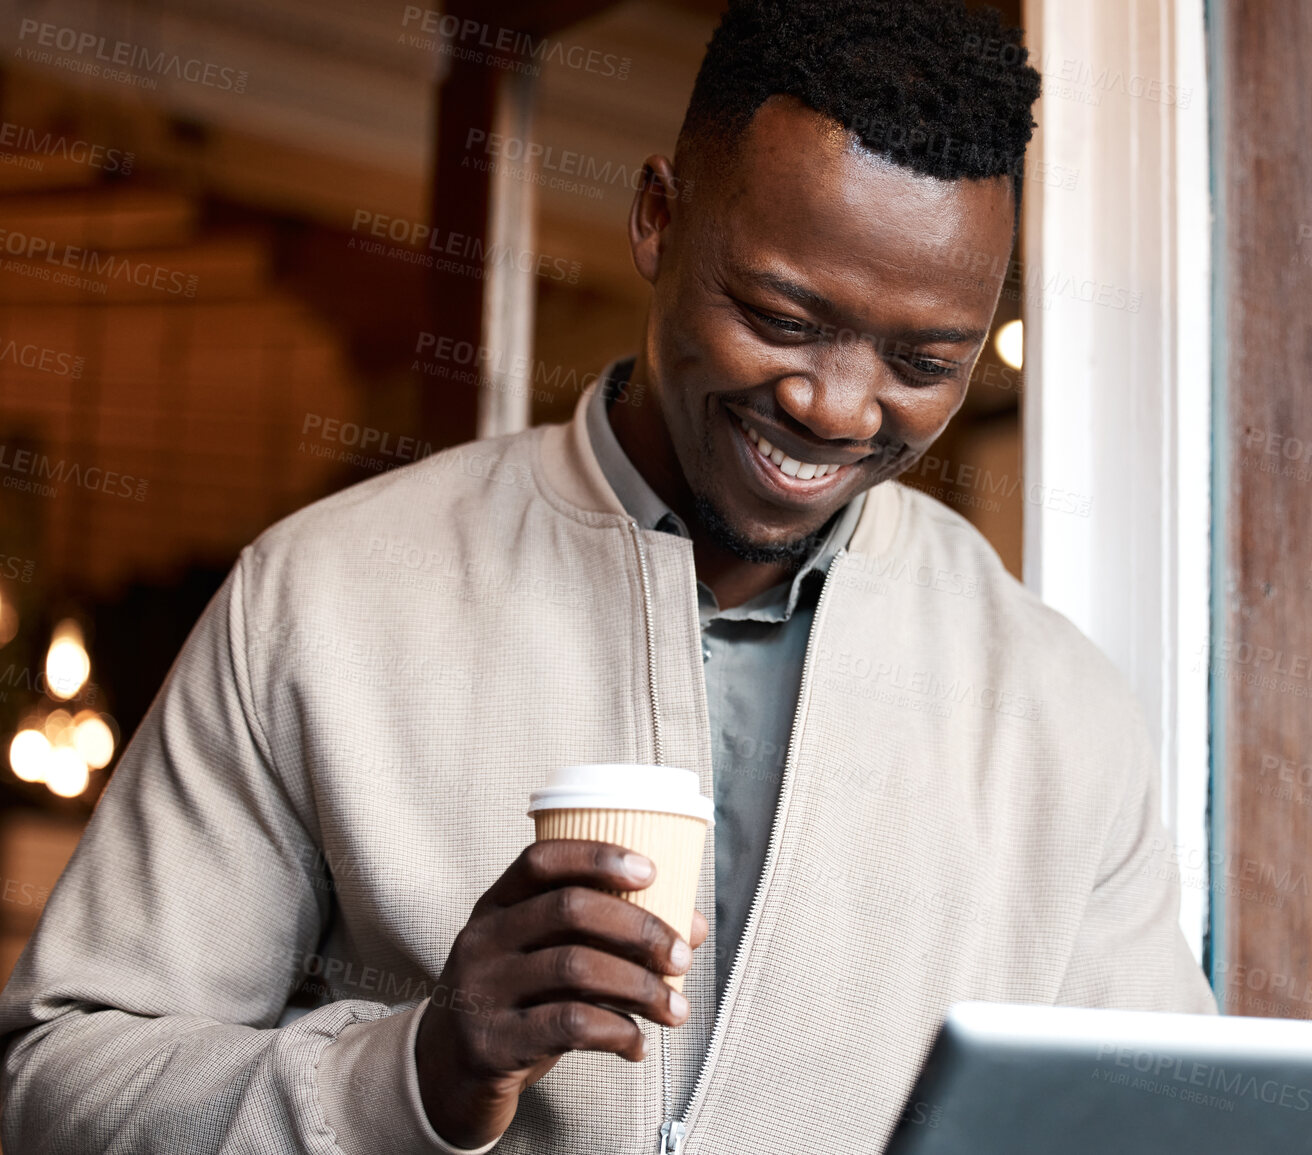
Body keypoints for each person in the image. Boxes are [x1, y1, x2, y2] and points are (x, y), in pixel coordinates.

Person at [0, 1, 1212, 1152]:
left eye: (924, 360)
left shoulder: (1060, 704)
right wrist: (419, 1070)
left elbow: (1171, 1121)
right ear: (656, 219)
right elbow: (60, 1090)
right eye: (782, 317)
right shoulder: (320, 598)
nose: (836, 407)